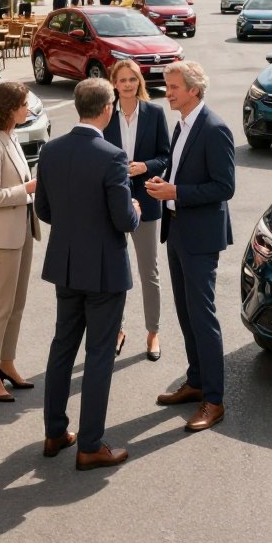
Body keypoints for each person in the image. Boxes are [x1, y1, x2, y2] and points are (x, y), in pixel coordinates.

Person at [37, 78, 141, 470]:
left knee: (62, 347)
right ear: (106, 109)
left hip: (65, 265)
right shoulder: (111, 156)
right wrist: (134, 207)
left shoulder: (51, 150)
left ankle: (54, 432)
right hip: (104, 270)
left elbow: (44, 210)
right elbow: (123, 220)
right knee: (99, 355)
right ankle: (90, 444)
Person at [146, 62, 235, 434]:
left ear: (194, 90)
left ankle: (213, 400)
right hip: (177, 231)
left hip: (200, 237)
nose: (168, 92)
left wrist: (176, 193)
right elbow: (183, 171)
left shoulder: (215, 129)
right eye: (167, 86)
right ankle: (196, 380)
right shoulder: (181, 126)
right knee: (184, 314)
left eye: (174, 86)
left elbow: (224, 187)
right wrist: (165, 182)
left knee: (202, 316)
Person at [0, 82, 40, 403]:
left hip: (23, 229)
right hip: (2, 236)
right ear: (9, 107)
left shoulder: (11, 137)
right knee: (0, 306)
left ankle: (6, 364)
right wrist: (28, 189)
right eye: (24, 104)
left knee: (17, 304)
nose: (28, 109)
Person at [103, 59, 171, 362]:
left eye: (133, 79)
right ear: (114, 83)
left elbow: (165, 155)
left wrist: (145, 166)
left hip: (146, 199)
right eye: (122, 80)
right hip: (114, 203)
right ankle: (117, 329)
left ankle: (153, 331)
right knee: (115, 271)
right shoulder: (106, 114)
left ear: (139, 82)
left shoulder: (154, 113)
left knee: (148, 271)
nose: (128, 85)